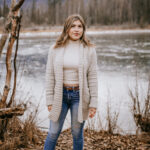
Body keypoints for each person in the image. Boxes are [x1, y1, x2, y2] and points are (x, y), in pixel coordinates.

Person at [44, 14, 98, 150]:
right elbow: (50, 76)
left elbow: (92, 77)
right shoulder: (55, 49)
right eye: (73, 26)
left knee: (77, 133)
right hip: (59, 96)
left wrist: (94, 103)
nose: (76, 29)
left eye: (80, 26)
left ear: (83, 29)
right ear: (66, 28)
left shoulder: (89, 50)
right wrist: (49, 100)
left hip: (79, 97)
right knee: (53, 132)